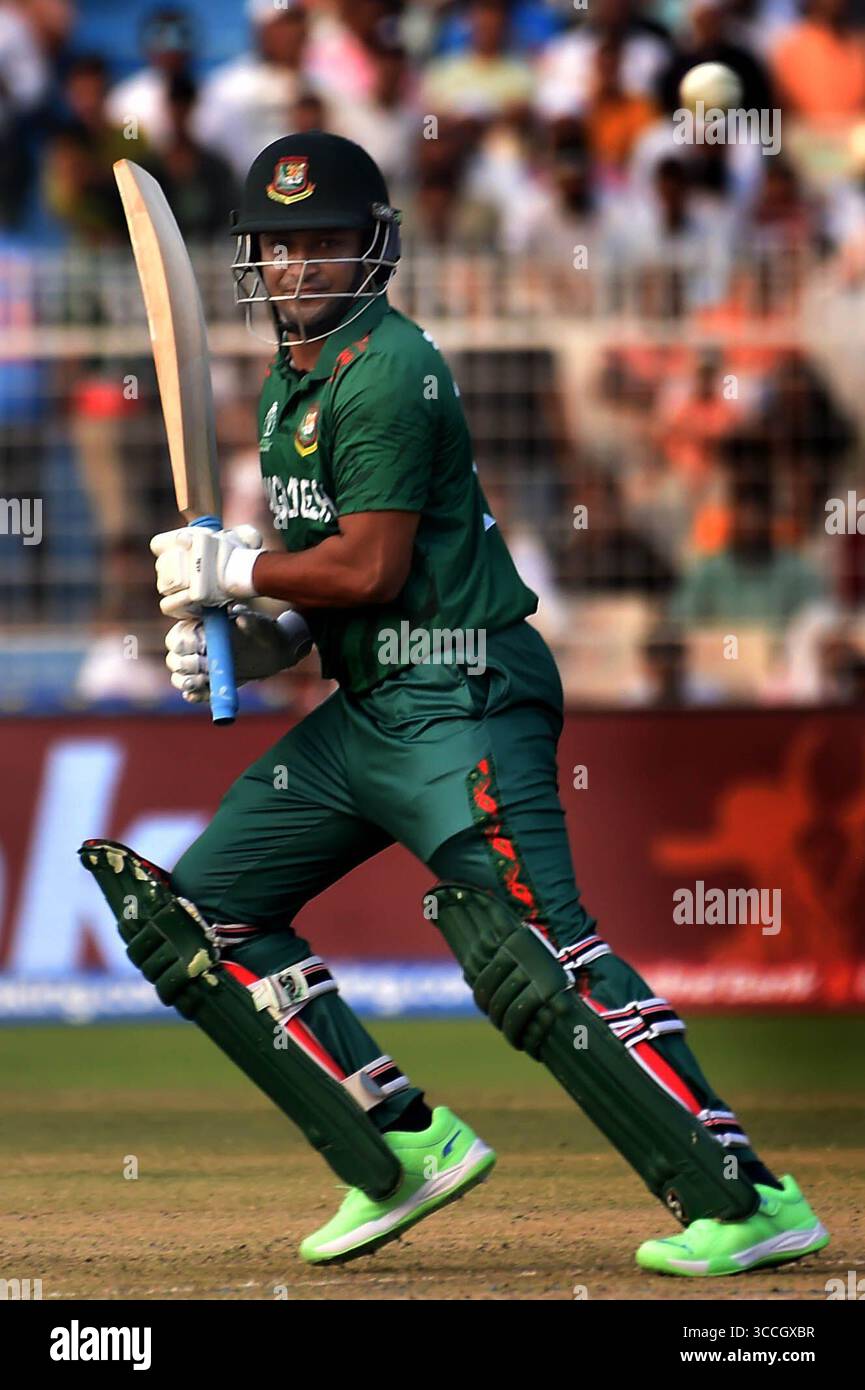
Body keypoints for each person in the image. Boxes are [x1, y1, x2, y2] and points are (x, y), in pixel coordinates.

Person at [83, 132, 829, 1276]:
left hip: (465, 695)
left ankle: (745, 1195)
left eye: (322, 242)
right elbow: (330, 596)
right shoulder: (292, 386)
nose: (296, 266)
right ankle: (395, 1144)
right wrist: (252, 633)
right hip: (370, 706)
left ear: (371, 250)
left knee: (538, 957)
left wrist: (236, 574)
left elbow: (374, 569)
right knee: (199, 919)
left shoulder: (388, 366)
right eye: (278, 245)